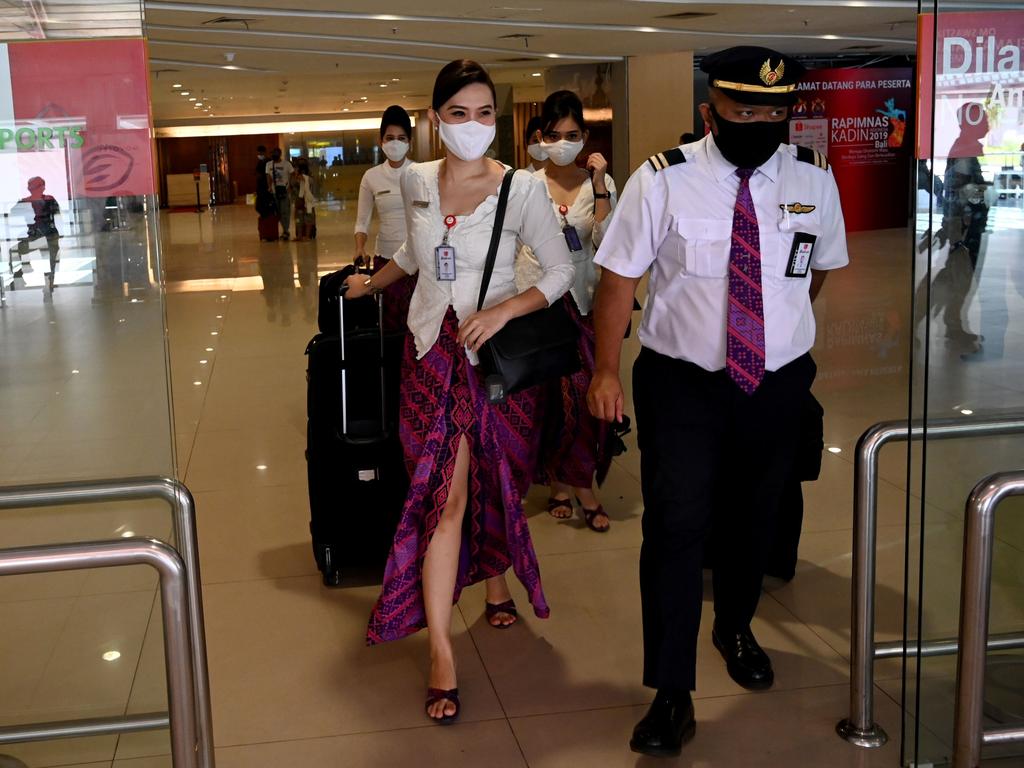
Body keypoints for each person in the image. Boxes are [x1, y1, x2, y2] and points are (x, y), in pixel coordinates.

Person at [587, 46, 848, 756]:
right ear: (711, 113)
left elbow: (813, 273)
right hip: (682, 382)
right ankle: (671, 691)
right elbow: (617, 282)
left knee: (755, 515)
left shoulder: (814, 179)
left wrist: (767, 330)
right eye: (744, 112)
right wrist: (605, 372)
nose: (761, 123)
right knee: (675, 525)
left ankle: (735, 626)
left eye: (774, 112)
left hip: (775, 377)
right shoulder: (661, 181)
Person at [346, 59, 573, 724]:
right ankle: (441, 648)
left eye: (484, 115)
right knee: (442, 495)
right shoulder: (415, 180)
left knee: (496, 479)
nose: (472, 127)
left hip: (496, 360)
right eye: (458, 113)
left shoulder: (523, 189)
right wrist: (372, 283)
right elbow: (417, 257)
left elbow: (559, 270)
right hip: (430, 356)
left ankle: (495, 577)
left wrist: (505, 309)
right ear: (434, 118)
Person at [531, 90, 617, 532]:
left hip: (583, 301)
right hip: (540, 302)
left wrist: (600, 187)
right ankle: (561, 484)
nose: (563, 142)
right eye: (555, 134)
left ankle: (580, 484)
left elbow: (606, 242)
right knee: (551, 400)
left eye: (572, 134)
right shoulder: (525, 183)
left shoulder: (597, 183)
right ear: (542, 137)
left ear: (584, 137)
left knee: (585, 394)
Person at [354, 105, 417, 331]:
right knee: (388, 326)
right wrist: (360, 247)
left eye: (401, 138)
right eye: (390, 137)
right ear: (381, 140)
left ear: (409, 142)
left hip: (417, 261)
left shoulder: (421, 173)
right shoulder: (371, 177)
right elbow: (362, 221)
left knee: (416, 325)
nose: (395, 143)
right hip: (386, 260)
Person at [14, 177, 61, 294]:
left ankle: (49, 280)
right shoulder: (26, 201)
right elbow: (13, 212)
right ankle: (23, 273)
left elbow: (57, 214)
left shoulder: (48, 199)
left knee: (52, 258)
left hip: (47, 236)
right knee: (16, 251)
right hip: (38, 237)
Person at [265, 148, 295, 240]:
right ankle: (278, 230)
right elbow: (268, 176)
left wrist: (290, 186)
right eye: (273, 153)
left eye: (276, 153)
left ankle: (286, 230)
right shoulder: (269, 164)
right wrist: (269, 187)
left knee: (285, 211)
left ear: (280, 154)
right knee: (277, 212)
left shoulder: (287, 164)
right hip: (274, 191)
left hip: (285, 191)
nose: (274, 155)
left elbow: (292, 174)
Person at [292, 158, 317, 241]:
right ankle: (302, 236)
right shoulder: (303, 178)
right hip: (303, 202)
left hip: (305, 201)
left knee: (305, 219)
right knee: (301, 219)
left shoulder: (305, 178)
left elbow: (303, 190)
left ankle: (306, 236)